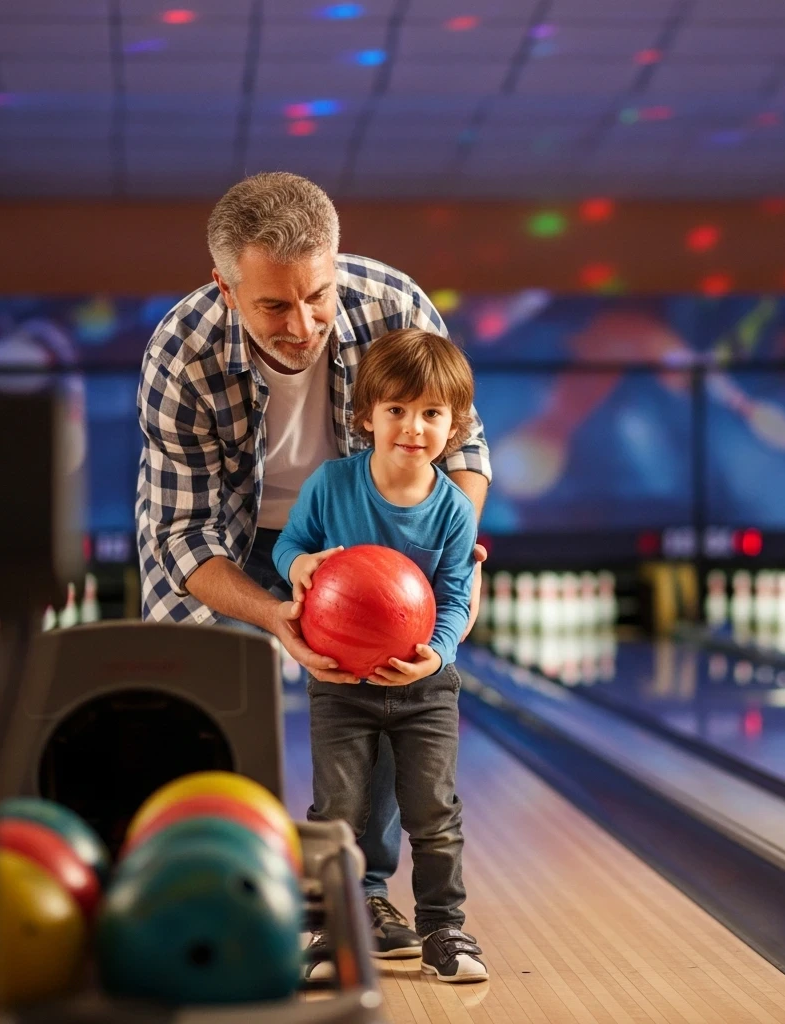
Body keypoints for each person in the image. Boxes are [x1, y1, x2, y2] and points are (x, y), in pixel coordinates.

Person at [135, 172, 491, 959]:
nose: (302, 324)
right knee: (199, 710)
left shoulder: (393, 304)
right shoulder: (182, 352)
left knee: (396, 691)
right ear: (225, 287)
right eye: (273, 305)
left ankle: (362, 899)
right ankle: (229, 894)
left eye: (318, 296)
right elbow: (185, 535)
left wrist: (446, 539)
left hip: (371, 530)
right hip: (234, 536)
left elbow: (461, 446)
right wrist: (275, 614)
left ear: (335, 263)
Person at [273, 328, 487, 983]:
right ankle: (325, 930)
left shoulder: (452, 509)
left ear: (454, 427)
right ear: (366, 416)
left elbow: (455, 597)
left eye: (431, 413)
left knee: (433, 811)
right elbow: (289, 549)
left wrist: (438, 655)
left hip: (424, 688)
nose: (413, 427)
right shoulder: (332, 484)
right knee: (335, 809)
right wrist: (303, 562)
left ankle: (443, 929)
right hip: (340, 683)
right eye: (396, 410)